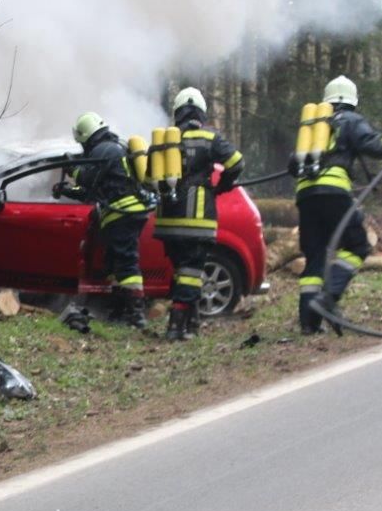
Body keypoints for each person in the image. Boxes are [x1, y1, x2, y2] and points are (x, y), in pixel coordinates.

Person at [289, 75, 382, 334]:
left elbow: (292, 164)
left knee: (315, 256)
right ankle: (329, 295)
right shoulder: (350, 120)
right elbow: (377, 148)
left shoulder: (314, 125)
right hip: (334, 192)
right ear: (352, 100)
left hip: (305, 195)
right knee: (358, 245)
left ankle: (309, 324)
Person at [152, 87, 245, 341]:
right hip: (196, 221)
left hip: (167, 222)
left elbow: (150, 175)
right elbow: (237, 162)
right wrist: (224, 183)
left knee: (183, 271)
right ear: (201, 112)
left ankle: (191, 325)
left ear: (177, 113)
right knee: (192, 273)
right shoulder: (210, 137)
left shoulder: (164, 141)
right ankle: (175, 326)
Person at [53, 112, 153, 329]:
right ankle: (120, 311)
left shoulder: (104, 149)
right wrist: (67, 190)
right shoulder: (112, 148)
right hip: (123, 212)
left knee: (126, 263)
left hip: (122, 212)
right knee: (114, 265)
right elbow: (92, 190)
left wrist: (74, 170)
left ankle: (136, 316)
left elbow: (89, 178)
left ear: (86, 135)